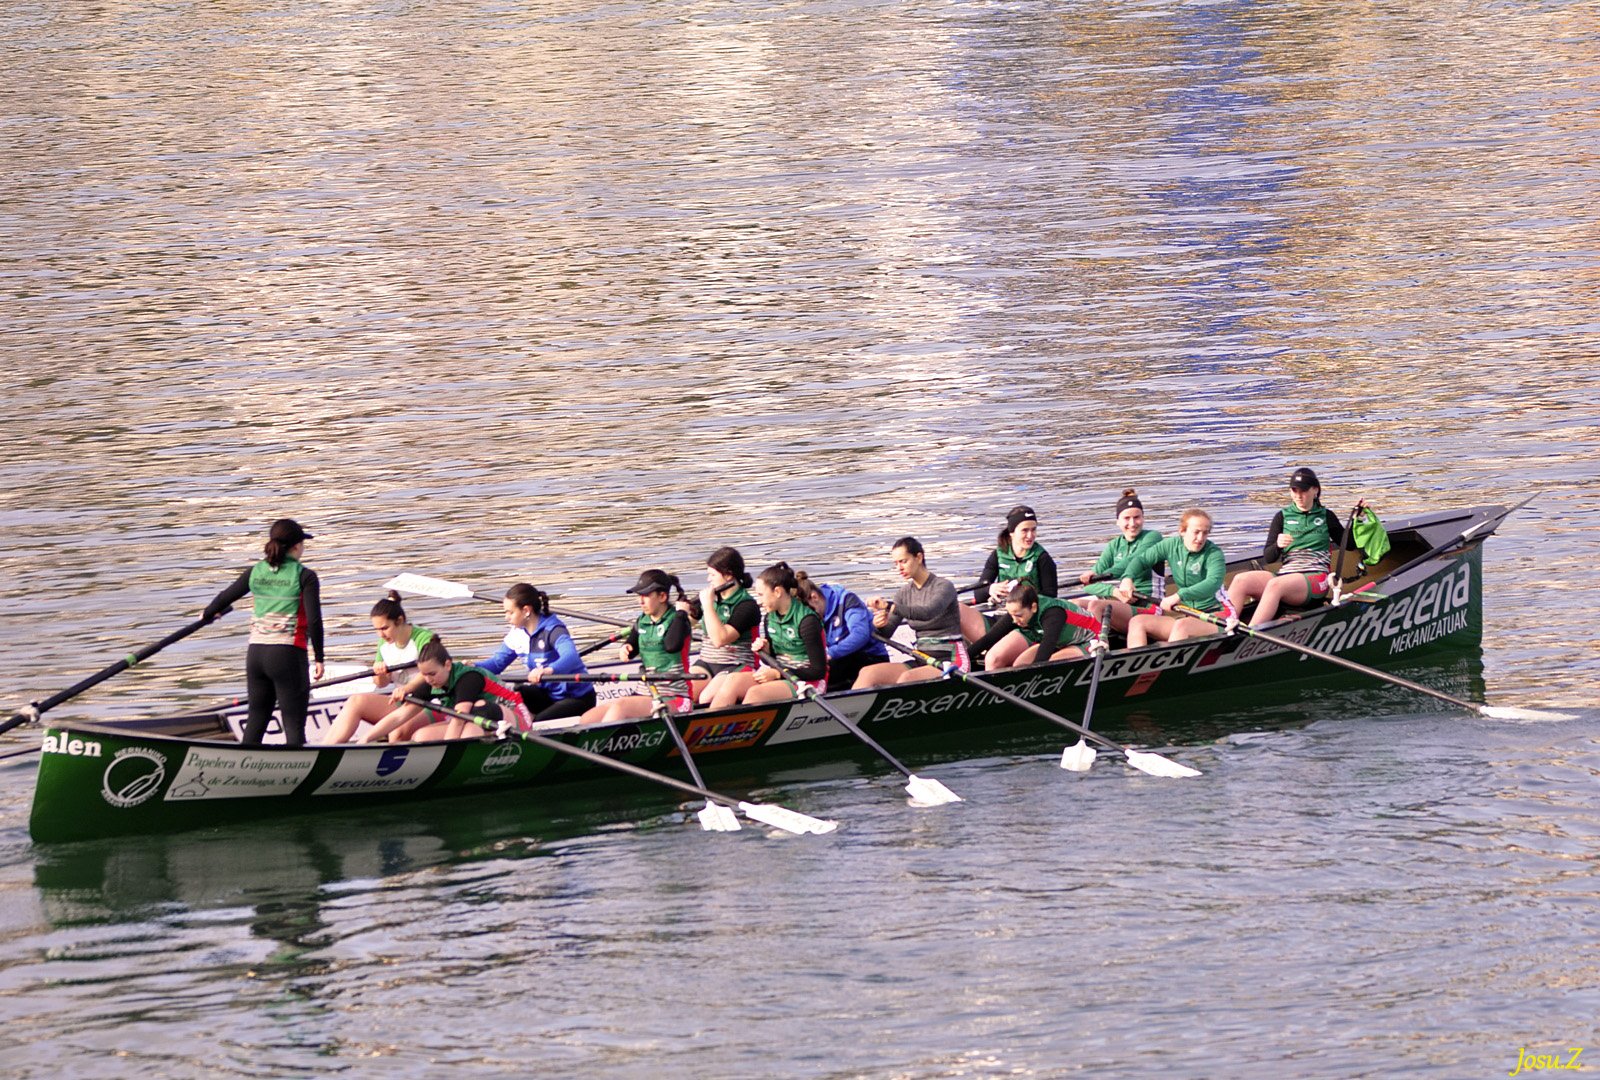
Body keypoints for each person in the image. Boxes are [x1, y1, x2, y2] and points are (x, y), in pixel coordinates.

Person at [203, 518, 325, 747]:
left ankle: (244, 763)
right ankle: (298, 767)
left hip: (256, 654)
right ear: (296, 546)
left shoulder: (255, 571)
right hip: (287, 654)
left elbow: (223, 598)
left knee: (256, 720)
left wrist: (209, 613)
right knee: (293, 726)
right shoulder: (305, 576)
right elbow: (315, 621)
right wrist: (319, 657)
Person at [1225, 467, 1351, 626]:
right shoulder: (1282, 517)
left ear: (1315, 490)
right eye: (1294, 490)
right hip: (1286, 575)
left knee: (1275, 585)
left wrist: (1358, 520)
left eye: (1303, 491)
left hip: (1316, 578)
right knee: (1240, 580)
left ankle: (1250, 633)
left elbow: (1349, 545)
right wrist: (1277, 545)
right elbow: (1269, 557)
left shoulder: (1326, 516)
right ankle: (1224, 628)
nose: (1298, 495)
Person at [579, 570, 695, 724]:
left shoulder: (678, 620)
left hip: (674, 696)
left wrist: (681, 614)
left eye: (646, 596)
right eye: (639, 596)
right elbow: (632, 647)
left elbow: (672, 646)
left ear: (662, 597)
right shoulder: (642, 621)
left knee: (620, 707)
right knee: (588, 718)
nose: (640, 601)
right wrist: (625, 648)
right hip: (645, 691)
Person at [360, 639, 530, 743]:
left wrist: (447, 752)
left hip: (515, 717)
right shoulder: (431, 682)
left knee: (473, 717)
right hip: (479, 720)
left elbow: (459, 719)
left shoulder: (468, 678)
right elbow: (399, 716)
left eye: (432, 674)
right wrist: (366, 739)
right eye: (424, 675)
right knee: (421, 737)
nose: (428, 680)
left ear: (447, 665)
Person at [320, 591, 435, 744]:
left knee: (397, 733)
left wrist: (406, 689)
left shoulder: (424, 638)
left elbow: (431, 671)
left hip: (430, 703)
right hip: (402, 702)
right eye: (377, 629)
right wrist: (380, 674)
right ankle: (326, 748)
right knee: (355, 701)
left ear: (400, 621)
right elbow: (381, 684)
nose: (381, 635)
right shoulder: (384, 643)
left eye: (384, 628)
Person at [852, 537, 966, 687]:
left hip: (951, 659)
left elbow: (928, 612)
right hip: (922, 658)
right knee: (868, 673)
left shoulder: (943, 586)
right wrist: (879, 625)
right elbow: (886, 634)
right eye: (896, 563)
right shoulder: (903, 593)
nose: (899, 568)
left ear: (919, 557)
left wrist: (889, 606)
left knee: (907, 679)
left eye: (903, 561)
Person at [480, 582, 596, 722]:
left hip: (576, 697)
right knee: (513, 693)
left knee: (537, 724)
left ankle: (531, 723)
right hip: (547, 694)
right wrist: (470, 668)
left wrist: (547, 670)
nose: (507, 617)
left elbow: (571, 657)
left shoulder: (553, 629)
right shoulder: (517, 634)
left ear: (526, 610)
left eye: (510, 612)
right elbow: (497, 663)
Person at [717, 562, 829, 706]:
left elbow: (818, 671)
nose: (758, 601)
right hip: (781, 673)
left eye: (761, 595)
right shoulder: (770, 618)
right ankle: (713, 720)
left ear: (777, 592)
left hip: (808, 682)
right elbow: (772, 659)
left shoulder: (807, 621)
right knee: (733, 680)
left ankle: (743, 720)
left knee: (756, 693)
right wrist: (766, 651)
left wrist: (777, 673)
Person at [1115, 508, 1227, 647]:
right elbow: (1142, 560)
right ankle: (1137, 660)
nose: (1200, 538)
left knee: (1182, 626)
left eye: (1205, 533)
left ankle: (1167, 660)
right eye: (1196, 532)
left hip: (1218, 615)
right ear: (1182, 531)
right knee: (1137, 622)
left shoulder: (1214, 553)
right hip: (1190, 615)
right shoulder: (1171, 545)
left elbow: (1212, 583)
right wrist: (1127, 578)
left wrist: (1179, 596)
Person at [961, 505, 1058, 642]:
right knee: (956, 609)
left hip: (1026, 623)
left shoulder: (1042, 558)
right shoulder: (998, 555)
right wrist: (991, 589)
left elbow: (1050, 597)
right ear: (1011, 532)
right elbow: (978, 594)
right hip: (1000, 618)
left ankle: (989, 647)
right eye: (1025, 530)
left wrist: (1025, 598)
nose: (1030, 535)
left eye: (1033, 529)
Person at [1079, 489, 1165, 635]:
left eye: (1137, 517)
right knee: (1073, 604)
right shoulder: (1114, 545)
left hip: (1151, 606)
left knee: (1096, 606)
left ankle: (1095, 645)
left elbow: (1133, 561)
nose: (1132, 523)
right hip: (1125, 605)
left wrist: (1103, 576)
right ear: (1117, 521)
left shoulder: (1153, 538)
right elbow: (1089, 586)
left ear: (1143, 518)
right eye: (1126, 518)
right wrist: (1114, 592)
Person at [689, 547, 761, 706]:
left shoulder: (747, 606)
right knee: (684, 692)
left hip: (736, 664)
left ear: (728, 575)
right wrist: (680, 613)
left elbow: (720, 639)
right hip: (706, 662)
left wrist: (707, 606)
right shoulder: (711, 598)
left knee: (706, 698)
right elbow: (684, 627)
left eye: (712, 575)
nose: (708, 579)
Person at [969, 584, 1101, 671]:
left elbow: (1045, 651)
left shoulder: (1053, 614)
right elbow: (989, 639)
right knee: (1015, 664)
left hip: (1087, 640)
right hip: (1054, 638)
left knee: (1044, 664)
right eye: (1011, 615)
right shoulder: (1018, 611)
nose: (1014, 620)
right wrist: (963, 659)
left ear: (1033, 607)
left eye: (1018, 616)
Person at [795, 572, 889, 692]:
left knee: (823, 671)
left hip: (871, 658)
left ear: (814, 597)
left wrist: (829, 654)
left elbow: (860, 635)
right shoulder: (813, 613)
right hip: (839, 659)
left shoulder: (848, 600)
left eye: (807, 611)